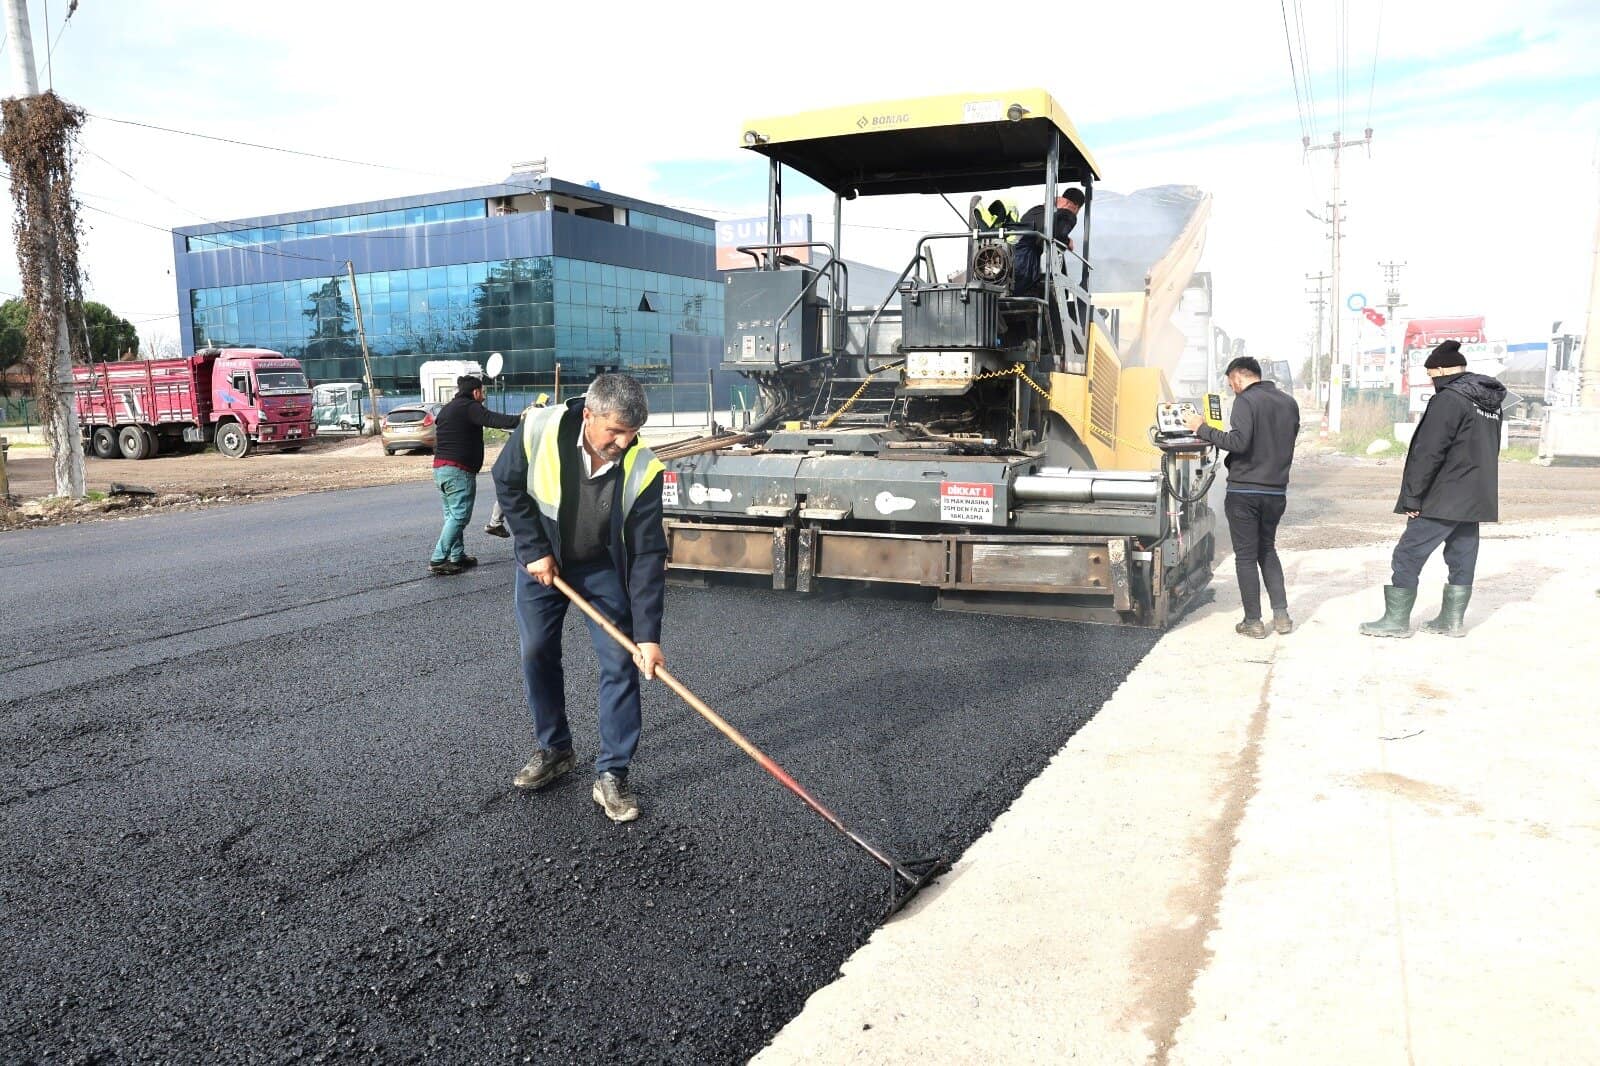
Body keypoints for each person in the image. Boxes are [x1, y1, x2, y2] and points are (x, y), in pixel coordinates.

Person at [491, 374, 668, 823]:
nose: (624, 442)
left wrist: (647, 636)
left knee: (621, 660)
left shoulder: (643, 466)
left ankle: (612, 771)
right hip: (541, 562)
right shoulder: (538, 430)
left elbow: (648, 551)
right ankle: (555, 749)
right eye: (615, 431)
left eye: (632, 432)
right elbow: (506, 482)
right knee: (537, 652)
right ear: (589, 416)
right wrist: (534, 550)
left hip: (599, 567)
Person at [1360, 340, 1505, 638]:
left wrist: (1413, 496)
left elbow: (1429, 452)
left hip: (1444, 496)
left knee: (1407, 554)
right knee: (1462, 555)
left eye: (1431, 375)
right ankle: (1451, 622)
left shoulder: (1448, 400)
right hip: (1475, 496)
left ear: (1439, 370)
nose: (1431, 381)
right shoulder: (1489, 402)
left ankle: (1396, 621)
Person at [1183, 355, 1301, 638]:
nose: (1232, 388)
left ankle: (1253, 621)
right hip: (1276, 490)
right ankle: (1282, 616)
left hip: (1245, 491)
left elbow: (1238, 442)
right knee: (1267, 550)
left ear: (1238, 377)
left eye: (1230, 383)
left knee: (1246, 557)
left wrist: (1201, 428)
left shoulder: (1246, 401)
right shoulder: (1289, 403)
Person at [429, 375, 521, 576]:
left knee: (451, 516)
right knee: (460, 516)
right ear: (476, 392)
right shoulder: (469, 407)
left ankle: (457, 556)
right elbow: (492, 419)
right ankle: (438, 559)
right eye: (483, 392)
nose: (484, 396)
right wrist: (521, 419)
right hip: (458, 470)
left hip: (440, 469)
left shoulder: (448, 409)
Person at [485, 392, 550, 539]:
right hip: (527, 462)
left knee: (510, 490)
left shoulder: (527, 416)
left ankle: (495, 522)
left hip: (516, 462)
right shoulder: (537, 418)